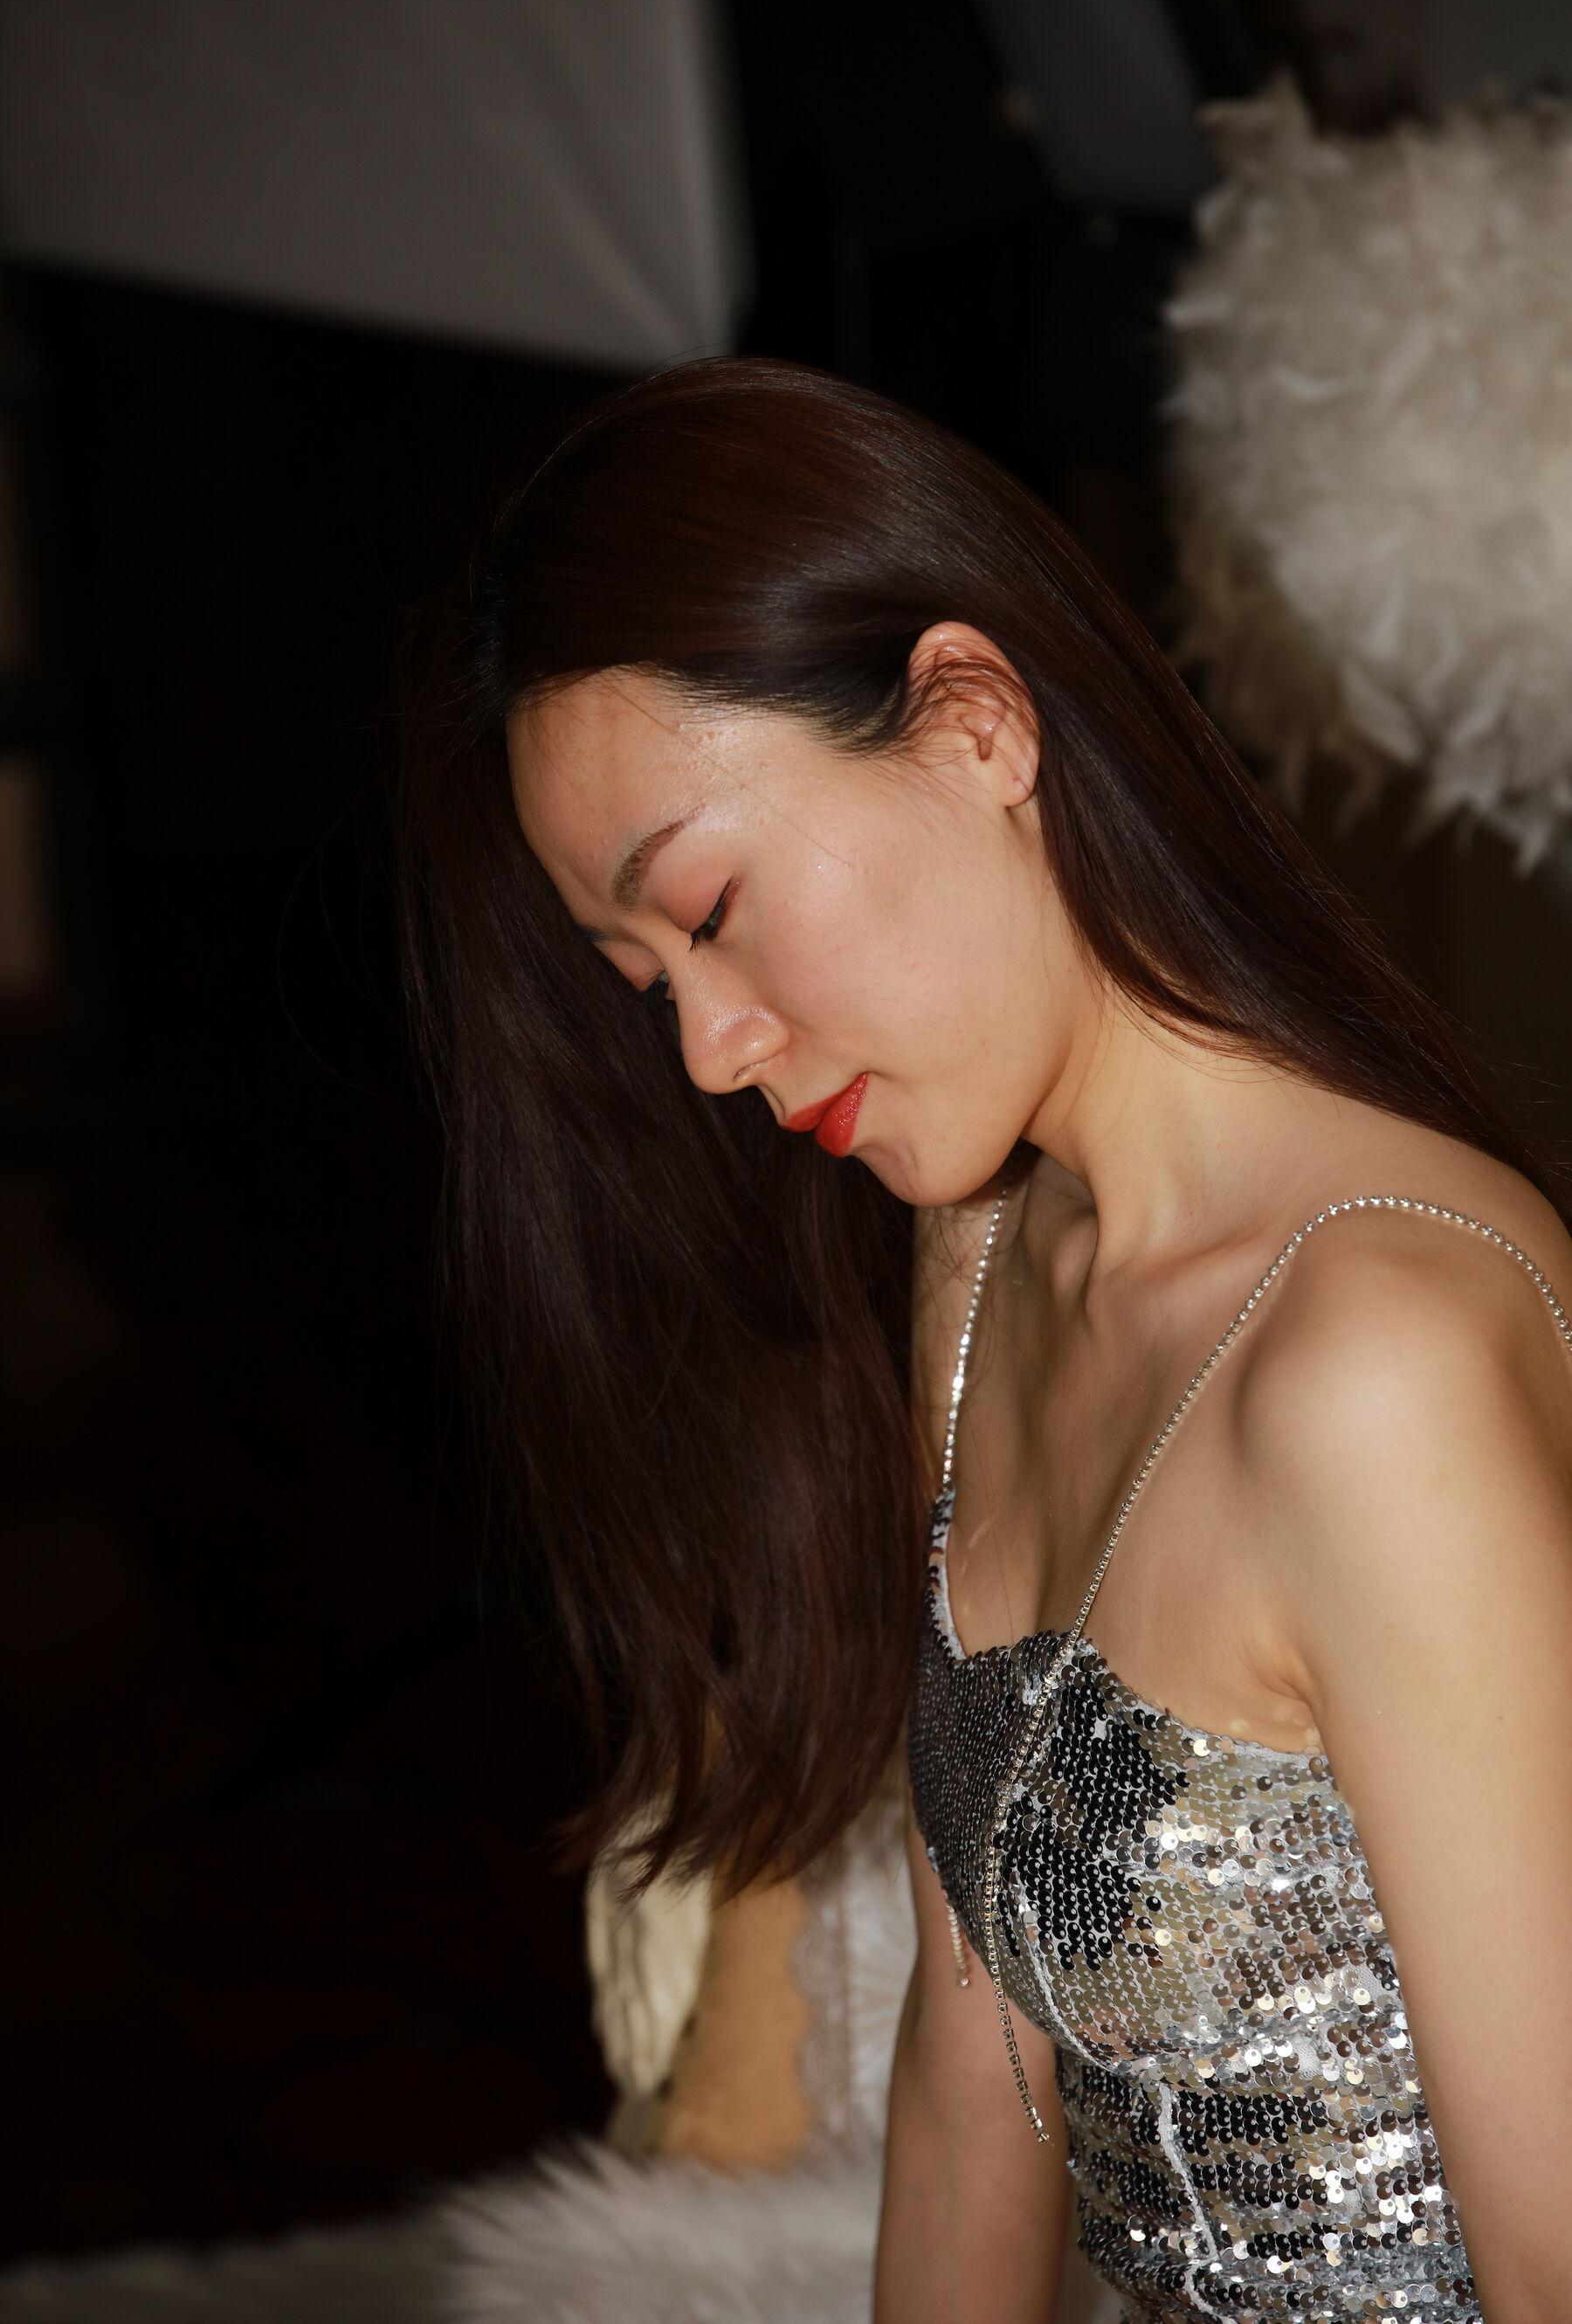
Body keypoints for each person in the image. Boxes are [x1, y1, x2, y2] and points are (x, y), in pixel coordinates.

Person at [394, 354, 1572, 2321]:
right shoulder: (990, 1260)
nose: (708, 1052)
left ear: (975, 722)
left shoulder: (1378, 1364)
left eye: (713, 910)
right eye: (645, 980)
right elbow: (969, 2078)